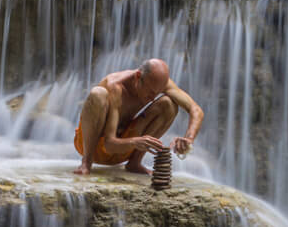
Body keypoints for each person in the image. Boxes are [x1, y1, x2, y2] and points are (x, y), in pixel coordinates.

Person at [73, 58, 204, 175]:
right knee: (98, 93)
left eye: (157, 93)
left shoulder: (159, 83)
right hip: (95, 146)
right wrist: (135, 142)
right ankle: (86, 162)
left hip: (121, 150)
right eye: (151, 93)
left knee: (169, 104)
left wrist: (189, 139)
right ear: (137, 76)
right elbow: (109, 144)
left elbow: (196, 110)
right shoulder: (115, 87)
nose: (153, 99)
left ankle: (134, 163)